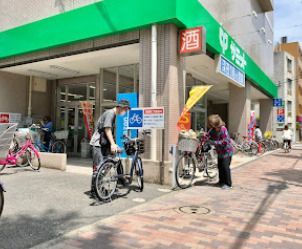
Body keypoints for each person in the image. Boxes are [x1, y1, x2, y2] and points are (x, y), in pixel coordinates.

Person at [89, 100, 131, 194]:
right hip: (98, 144)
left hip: (103, 143)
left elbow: (109, 132)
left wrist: (114, 144)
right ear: (120, 107)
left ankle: (105, 187)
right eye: (126, 109)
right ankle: (95, 190)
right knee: (98, 167)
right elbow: (107, 129)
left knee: (111, 162)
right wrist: (112, 144)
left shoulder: (113, 114)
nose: (126, 112)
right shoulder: (110, 113)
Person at [207, 114, 233, 190]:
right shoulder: (212, 130)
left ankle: (228, 184)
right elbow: (207, 136)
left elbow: (225, 141)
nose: (212, 125)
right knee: (220, 167)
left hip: (227, 152)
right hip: (219, 152)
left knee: (225, 167)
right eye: (211, 124)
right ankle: (221, 182)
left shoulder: (223, 129)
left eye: (213, 124)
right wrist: (203, 137)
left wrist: (213, 142)